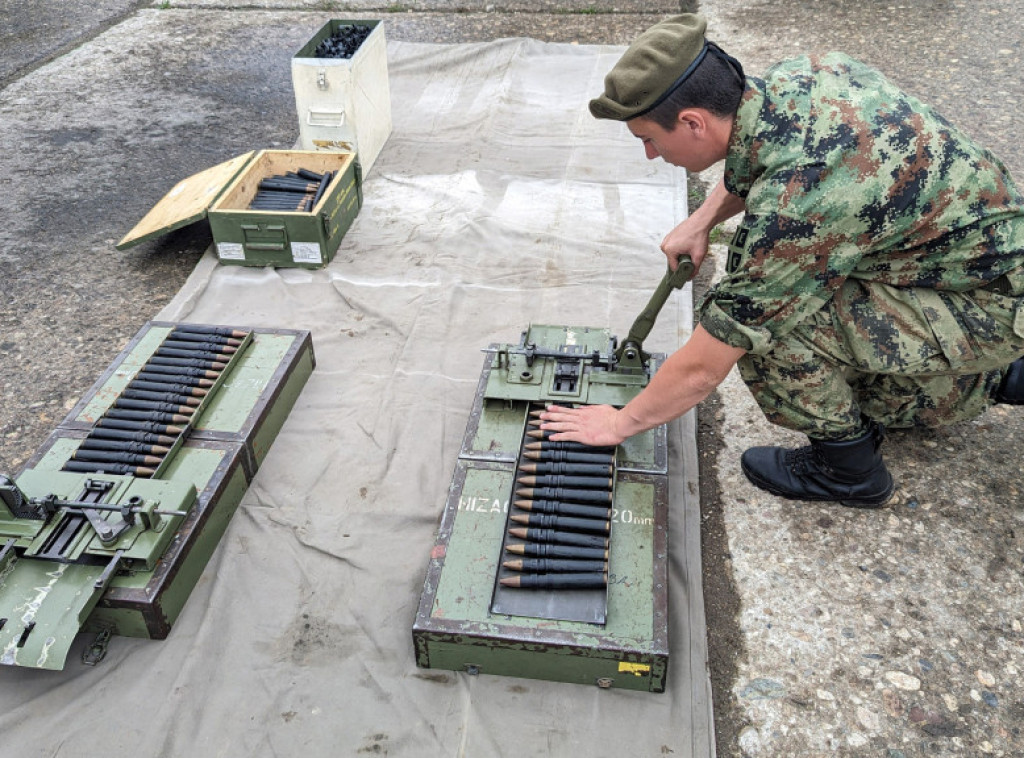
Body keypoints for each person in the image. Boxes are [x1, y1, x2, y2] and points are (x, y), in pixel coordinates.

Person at [539, 14, 1024, 507]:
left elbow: (705, 365)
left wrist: (620, 422)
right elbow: (762, 157)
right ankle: (1001, 373)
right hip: (978, 265)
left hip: (987, 304)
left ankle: (850, 472)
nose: (649, 154)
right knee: (791, 295)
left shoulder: (800, 208)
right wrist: (702, 220)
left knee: (772, 334)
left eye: (649, 139)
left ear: (692, 123)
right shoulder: (805, 75)